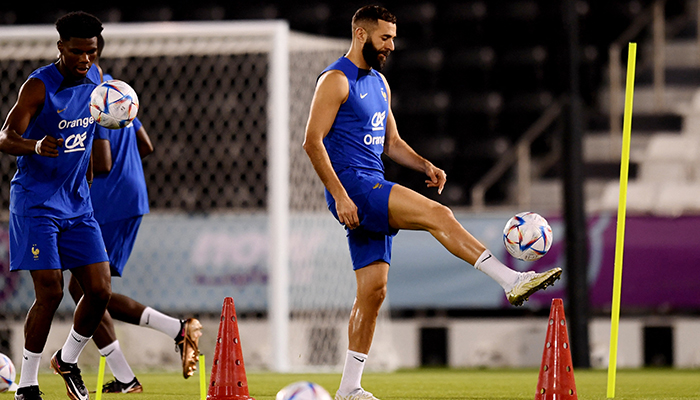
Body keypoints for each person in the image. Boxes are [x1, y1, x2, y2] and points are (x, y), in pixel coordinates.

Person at [302, 5, 562, 400]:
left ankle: (349, 389)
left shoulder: (380, 85)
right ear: (361, 35)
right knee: (437, 214)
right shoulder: (337, 80)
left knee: (373, 292)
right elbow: (311, 141)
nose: (391, 44)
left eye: (392, 37)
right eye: (384, 37)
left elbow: (391, 143)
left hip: (372, 183)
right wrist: (339, 195)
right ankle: (513, 281)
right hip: (354, 188)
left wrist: (424, 164)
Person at [64, 34, 203, 393]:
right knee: (88, 290)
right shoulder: (117, 90)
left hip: (108, 201)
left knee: (89, 290)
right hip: (130, 195)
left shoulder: (89, 96)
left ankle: (176, 330)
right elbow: (146, 145)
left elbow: (103, 164)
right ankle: (128, 376)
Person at [0, 11, 112, 400]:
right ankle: (26, 384)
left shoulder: (97, 82)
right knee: (50, 291)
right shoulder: (38, 87)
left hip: (77, 205)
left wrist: (89, 179)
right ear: (61, 48)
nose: (85, 60)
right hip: (37, 203)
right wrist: (33, 145)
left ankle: (67, 359)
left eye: (92, 53)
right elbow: (4, 136)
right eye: (78, 52)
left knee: (99, 290)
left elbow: (91, 134)